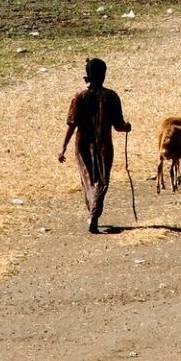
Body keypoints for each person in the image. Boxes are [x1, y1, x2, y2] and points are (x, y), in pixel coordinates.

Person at [58, 58, 131, 234]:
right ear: (104, 74)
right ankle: (94, 213)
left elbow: (71, 124)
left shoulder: (80, 96)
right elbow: (119, 125)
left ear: (88, 75)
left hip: (83, 145)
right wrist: (127, 127)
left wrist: (63, 147)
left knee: (88, 179)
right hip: (104, 145)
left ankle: (92, 211)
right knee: (102, 180)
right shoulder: (111, 96)